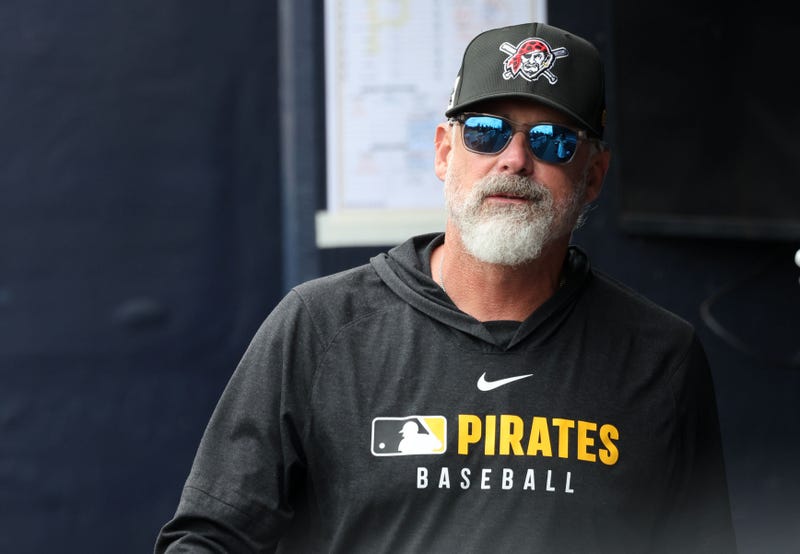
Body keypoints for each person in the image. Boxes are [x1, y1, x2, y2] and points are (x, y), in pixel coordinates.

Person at [155, 22, 737, 553]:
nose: (514, 160)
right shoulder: (320, 326)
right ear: (443, 152)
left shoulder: (661, 357)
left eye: (553, 141)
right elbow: (210, 539)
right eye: (486, 132)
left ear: (593, 177)